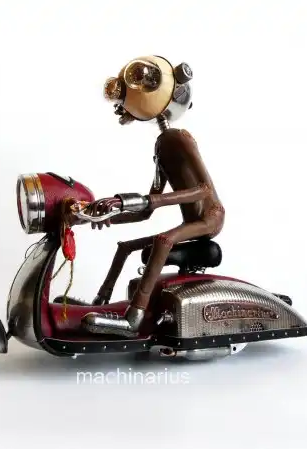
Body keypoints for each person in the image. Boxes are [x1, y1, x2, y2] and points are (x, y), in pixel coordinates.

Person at [82, 56, 226, 337]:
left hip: (211, 217)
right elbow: (146, 210)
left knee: (163, 241)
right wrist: (106, 215)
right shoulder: (161, 146)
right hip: (193, 220)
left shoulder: (181, 138)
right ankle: (101, 302)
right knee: (124, 247)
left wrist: (152, 201)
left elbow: (204, 190)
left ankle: (133, 319)